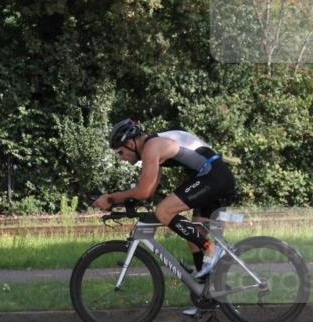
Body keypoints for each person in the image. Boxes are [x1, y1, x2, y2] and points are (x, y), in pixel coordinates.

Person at [93, 119, 237, 280]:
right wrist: (125, 199)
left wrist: (111, 198)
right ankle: (208, 294)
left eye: (120, 152)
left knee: (163, 211)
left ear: (130, 144)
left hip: (213, 177)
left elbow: (143, 191)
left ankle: (211, 248)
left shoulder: (151, 147)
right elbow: (149, 190)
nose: (121, 158)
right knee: (193, 235)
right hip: (214, 176)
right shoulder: (155, 146)